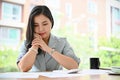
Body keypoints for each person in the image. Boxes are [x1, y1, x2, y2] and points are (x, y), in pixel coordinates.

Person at [17, 5, 80, 72]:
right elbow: (23, 68)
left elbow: (74, 66)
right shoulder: (26, 43)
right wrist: (35, 46)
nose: (41, 29)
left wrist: (47, 49)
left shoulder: (62, 42)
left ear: (51, 23)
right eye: (35, 25)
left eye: (45, 24)